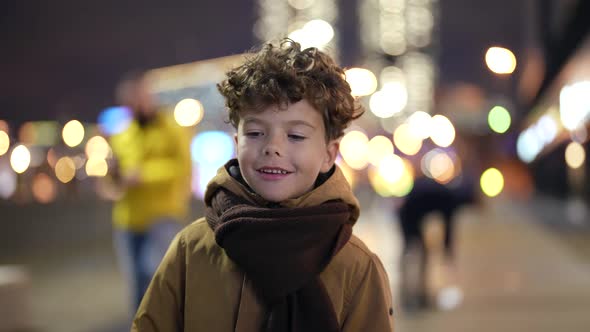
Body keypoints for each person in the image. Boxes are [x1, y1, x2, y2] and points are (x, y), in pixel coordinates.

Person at [132, 39, 394, 332]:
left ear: (328, 154)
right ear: (237, 143)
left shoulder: (355, 266)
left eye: (295, 136)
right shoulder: (191, 249)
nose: (272, 147)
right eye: (256, 132)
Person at [108, 71, 192, 316]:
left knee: (158, 276)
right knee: (135, 281)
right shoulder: (123, 134)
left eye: (138, 99)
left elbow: (182, 168)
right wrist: (112, 175)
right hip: (127, 218)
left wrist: (143, 175)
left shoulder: (172, 128)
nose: (134, 106)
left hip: (161, 215)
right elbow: (117, 177)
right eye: (128, 103)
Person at [397, 175, 475, 310]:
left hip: (412, 213)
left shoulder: (447, 194)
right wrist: (449, 253)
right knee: (412, 254)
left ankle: (418, 293)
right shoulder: (451, 200)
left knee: (420, 254)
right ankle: (410, 293)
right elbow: (448, 230)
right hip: (409, 215)